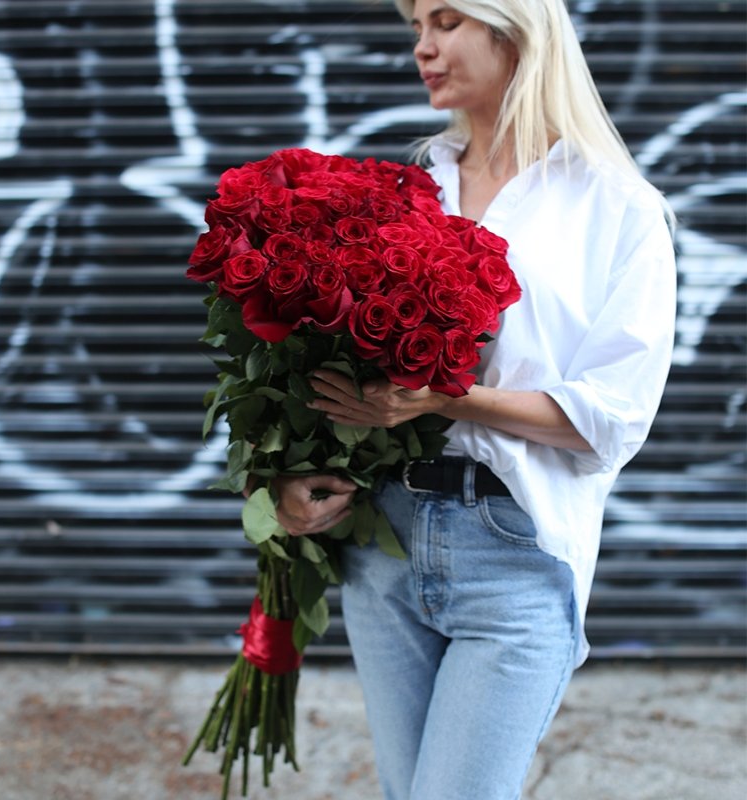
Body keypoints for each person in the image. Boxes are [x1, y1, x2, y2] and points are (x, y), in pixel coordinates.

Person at [271, 1, 677, 798]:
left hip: (514, 555)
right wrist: (296, 477)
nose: (423, 45)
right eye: (417, 25)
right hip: (383, 546)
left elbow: (612, 419)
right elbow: (341, 372)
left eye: (447, 21)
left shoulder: (616, 207)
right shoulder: (409, 191)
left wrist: (448, 398)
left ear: (514, 28)